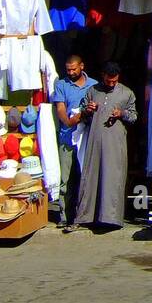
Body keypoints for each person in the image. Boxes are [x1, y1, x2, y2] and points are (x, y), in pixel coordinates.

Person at [68, 61, 137, 233]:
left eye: (114, 81)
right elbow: (82, 114)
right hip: (94, 142)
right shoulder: (93, 91)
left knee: (112, 177)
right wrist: (88, 110)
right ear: (103, 76)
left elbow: (134, 117)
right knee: (91, 177)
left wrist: (122, 114)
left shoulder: (126, 93)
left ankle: (111, 219)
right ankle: (86, 217)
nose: (111, 84)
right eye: (108, 81)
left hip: (115, 143)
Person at [50, 54, 96, 226]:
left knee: (87, 176)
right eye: (68, 70)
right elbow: (60, 108)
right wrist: (69, 121)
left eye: (73, 69)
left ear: (81, 66)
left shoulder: (93, 85)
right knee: (66, 178)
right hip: (67, 137)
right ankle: (65, 216)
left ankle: (85, 215)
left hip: (87, 137)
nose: (70, 72)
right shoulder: (61, 85)